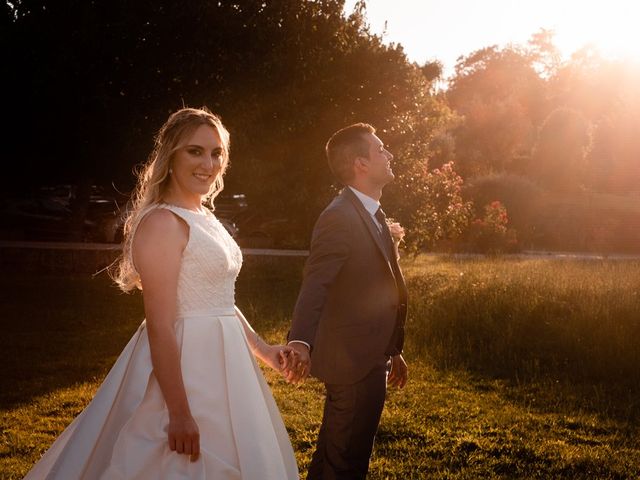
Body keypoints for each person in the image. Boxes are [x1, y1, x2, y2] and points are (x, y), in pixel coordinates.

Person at [23, 107, 299, 479]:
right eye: (195, 151)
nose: (209, 163)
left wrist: (263, 349)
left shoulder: (205, 216)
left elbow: (219, 299)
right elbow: (160, 326)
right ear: (170, 156)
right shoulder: (162, 222)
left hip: (229, 361)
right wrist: (179, 412)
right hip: (185, 366)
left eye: (217, 153)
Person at [287, 123, 409, 479]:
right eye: (381, 149)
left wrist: (393, 348)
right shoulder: (339, 217)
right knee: (346, 464)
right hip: (352, 362)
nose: (389, 155)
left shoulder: (371, 213)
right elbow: (316, 284)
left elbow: (377, 289)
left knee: (333, 455)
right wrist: (300, 341)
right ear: (361, 164)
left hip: (372, 355)